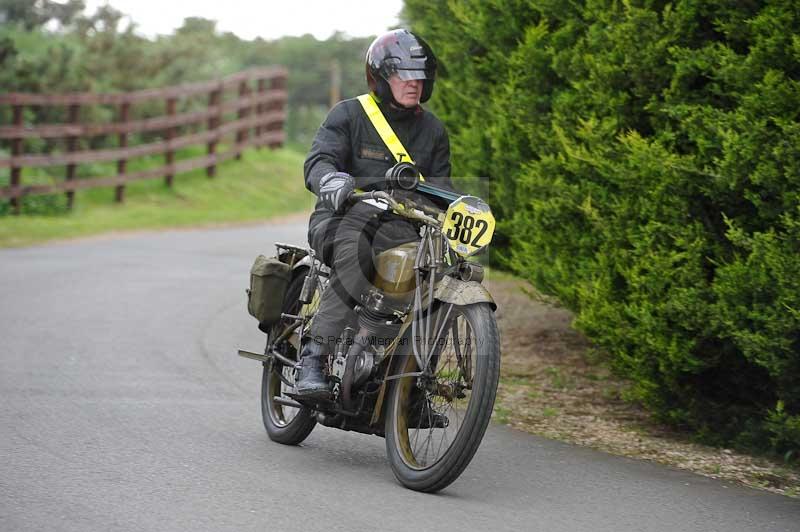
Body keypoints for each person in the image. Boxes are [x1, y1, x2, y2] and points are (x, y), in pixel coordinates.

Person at [296, 28, 456, 398]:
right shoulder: (350, 114)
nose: (413, 83)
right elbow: (319, 160)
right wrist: (330, 179)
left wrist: (462, 207)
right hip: (342, 219)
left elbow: (440, 189)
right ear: (381, 77)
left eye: (420, 76)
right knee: (356, 252)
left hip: (400, 229)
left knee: (440, 275)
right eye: (402, 74)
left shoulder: (433, 130)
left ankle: (412, 385)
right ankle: (314, 357)